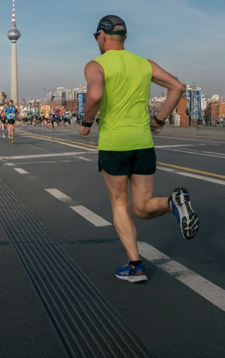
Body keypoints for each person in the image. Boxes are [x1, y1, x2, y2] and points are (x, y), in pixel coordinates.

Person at [79, 15, 197, 283]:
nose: (97, 40)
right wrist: (159, 119)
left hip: (114, 145)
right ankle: (172, 203)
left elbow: (95, 95)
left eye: (96, 36)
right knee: (142, 207)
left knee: (120, 204)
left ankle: (135, 267)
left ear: (103, 35)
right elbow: (178, 87)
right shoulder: (144, 64)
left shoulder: (96, 65)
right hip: (143, 143)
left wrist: (86, 122)